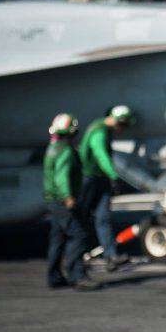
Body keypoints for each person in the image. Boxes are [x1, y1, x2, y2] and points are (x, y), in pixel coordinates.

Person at [43, 113, 102, 291]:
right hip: (63, 202)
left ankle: (53, 277)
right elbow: (62, 177)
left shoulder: (52, 148)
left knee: (58, 239)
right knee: (79, 235)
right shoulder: (66, 151)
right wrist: (68, 197)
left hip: (52, 201)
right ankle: (78, 276)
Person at [80, 105, 136, 272]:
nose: (123, 129)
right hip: (89, 178)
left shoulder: (106, 130)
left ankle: (111, 257)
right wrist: (113, 175)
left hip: (100, 178)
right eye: (123, 124)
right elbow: (100, 154)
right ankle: (76, 258)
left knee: (103, 218)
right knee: (81, 219)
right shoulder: (99, 131)